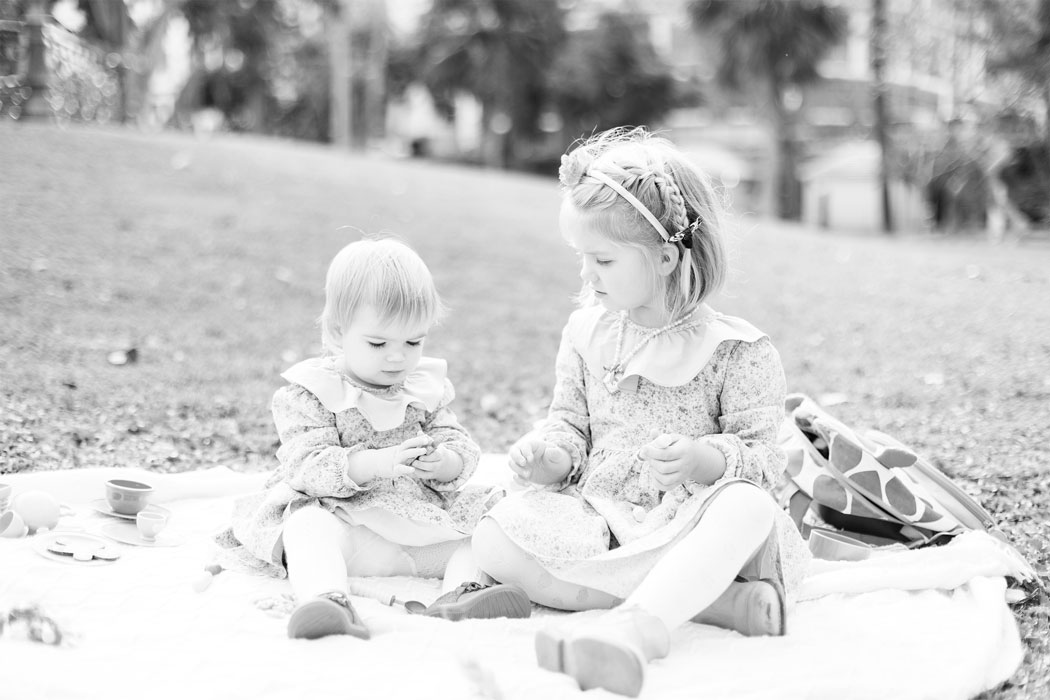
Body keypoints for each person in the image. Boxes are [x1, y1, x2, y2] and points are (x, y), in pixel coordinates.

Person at [470, 127, 809, 697]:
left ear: (667, 256)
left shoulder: (737, 352)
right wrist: (552, 457)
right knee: (492, 539)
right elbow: (570, 424)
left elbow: (766, 464)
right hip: (605, 521)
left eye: (602, 259)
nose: (587, 276)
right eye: (581, 258)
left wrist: (703, 460)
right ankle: (715, 604)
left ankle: (633, 632)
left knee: (747, 506)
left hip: (691, 524)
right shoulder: (587, 334)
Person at [216, 237, 530, 641]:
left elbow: (454, 437)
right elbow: (306, 465)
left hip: (414, 527)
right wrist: (377, 462)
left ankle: (462, 592)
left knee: (484, 528)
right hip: (344, 524)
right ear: (337, 332)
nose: (397, 358)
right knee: (303, 524)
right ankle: (328, 599)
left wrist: (446, 461)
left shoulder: (423, 387)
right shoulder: (312, 390)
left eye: (413, 342)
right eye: (378, 343)